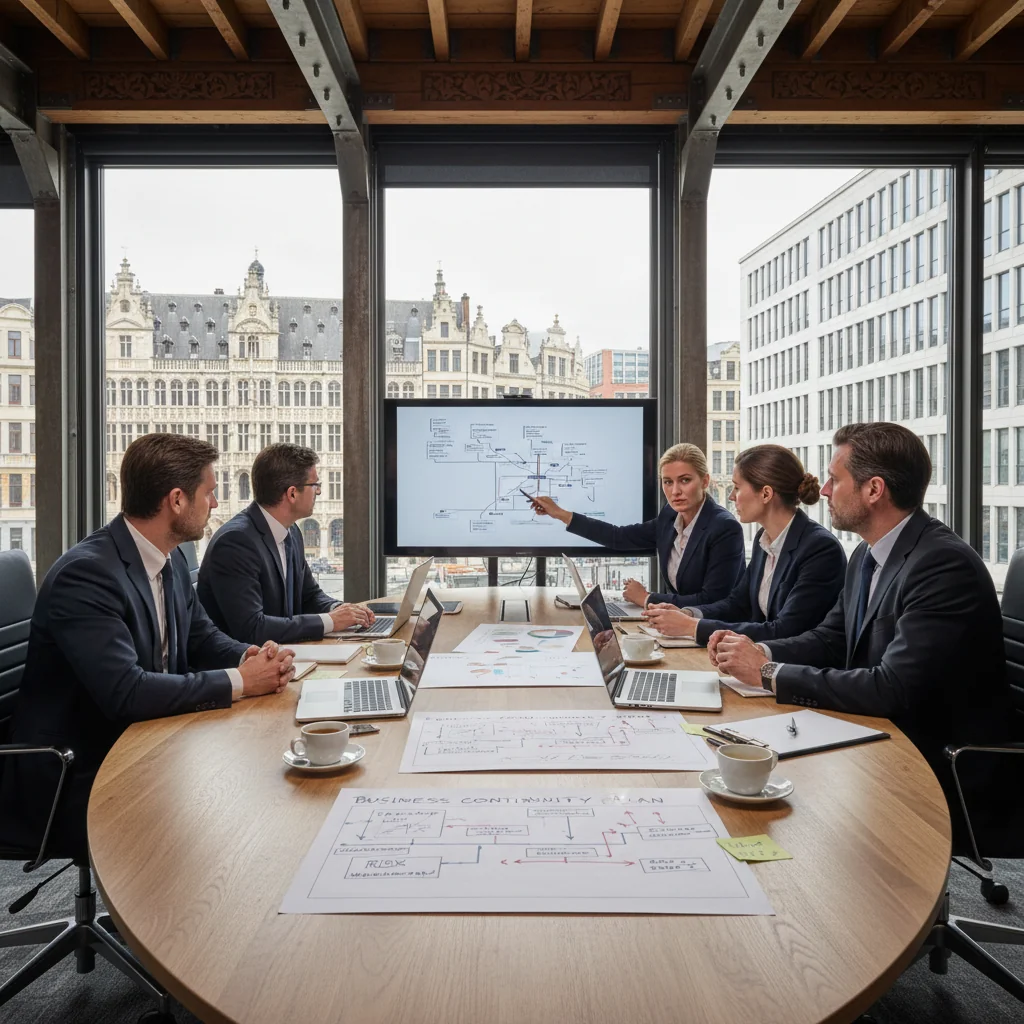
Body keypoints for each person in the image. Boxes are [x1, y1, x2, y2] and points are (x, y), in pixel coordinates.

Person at [0, 434, 294, 857]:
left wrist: (247, 657)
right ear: (176, 500)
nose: (215, 504)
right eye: (209, 492)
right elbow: (127, 692)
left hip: (143, 743)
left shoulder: (167, 555)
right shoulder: (87, 576)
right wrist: (242, 682)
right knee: (236, 812)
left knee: (256, 775)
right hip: (75, 769)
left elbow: (200, 634)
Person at [711, 423, 1009, 802]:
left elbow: (892, 688)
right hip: (874, 735)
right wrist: (756, 652)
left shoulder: (942, 565)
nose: (822, 490)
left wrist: (768, 673)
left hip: (939, 764)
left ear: (873, 490)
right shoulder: (866, 554)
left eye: (835, 479)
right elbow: (830, 638)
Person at [645, 445, 846, 645]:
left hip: (795, 670)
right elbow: (738, 605)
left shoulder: (820, 549)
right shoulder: (764, 540)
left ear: (766, 494)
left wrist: (692, 626)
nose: (732, 496)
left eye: (737, 488)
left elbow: (787, 630)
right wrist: (688, 613)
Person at [528, 442, 744, 609]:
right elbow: (619, 537)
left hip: (717, 635)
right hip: (679, 627)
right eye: (668, 482)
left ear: (705, 481)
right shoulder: (670, 516)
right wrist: (561, 514)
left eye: (685, 480)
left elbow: (713, 601)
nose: (675, 491)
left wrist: (647, 598)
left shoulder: (724, 528)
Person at [198, 444, 374, 645]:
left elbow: (309, 595)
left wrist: (341, 610)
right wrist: (330, 621)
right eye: (315, 485)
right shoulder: (236, 542)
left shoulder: (291, 531)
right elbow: (253, 628)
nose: (318, 492)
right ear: (292, 494)